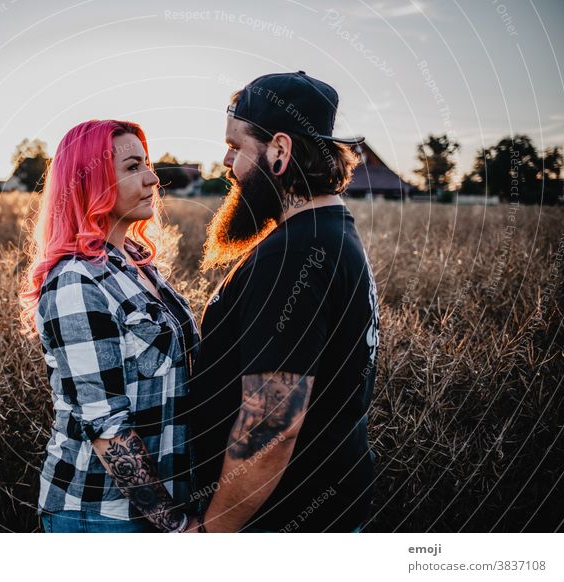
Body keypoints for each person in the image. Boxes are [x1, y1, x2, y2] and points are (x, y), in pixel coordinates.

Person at [188, 70, 380, 533]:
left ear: (279, 150)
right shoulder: (330, 232)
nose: (225, 162)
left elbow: (272, 427)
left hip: (284, 520)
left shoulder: (295, 255)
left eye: (236, 146)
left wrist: (213, 534)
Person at [19, 119, 199, 533]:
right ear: (91, 182)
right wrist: (174, 524)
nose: (153, 178)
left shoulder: (137, 263)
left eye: (147, 163)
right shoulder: (76, 282)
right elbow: (106, 428)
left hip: (161, 502)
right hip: (100, 513)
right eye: (133, 167)